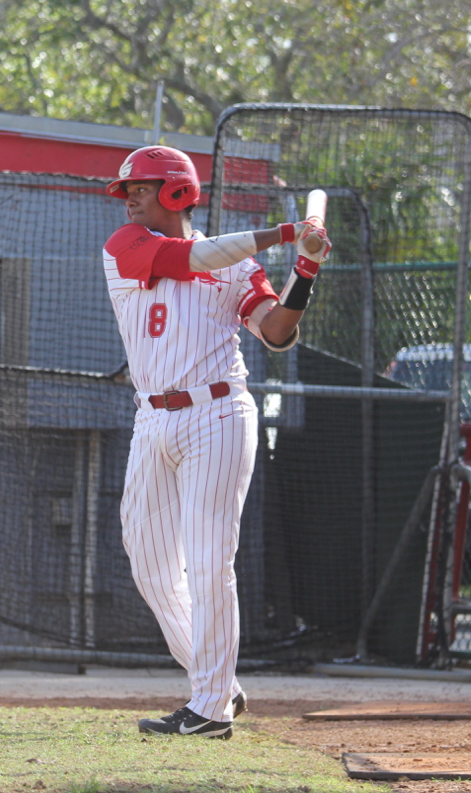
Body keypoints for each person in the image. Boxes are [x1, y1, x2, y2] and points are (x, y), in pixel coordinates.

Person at [102, 146, 330, 739]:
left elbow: (277, 332)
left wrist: (305, 270)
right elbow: (193, 255)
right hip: (151, 419)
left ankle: (209, 708)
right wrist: (286, 233)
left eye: (141, 189)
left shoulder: (233, 267)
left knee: (208, 562)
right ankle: (218, 681)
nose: (128, 198)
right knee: (149, 564)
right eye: (128, 190)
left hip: (218, 413)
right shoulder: (124, 247)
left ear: (177, 192)